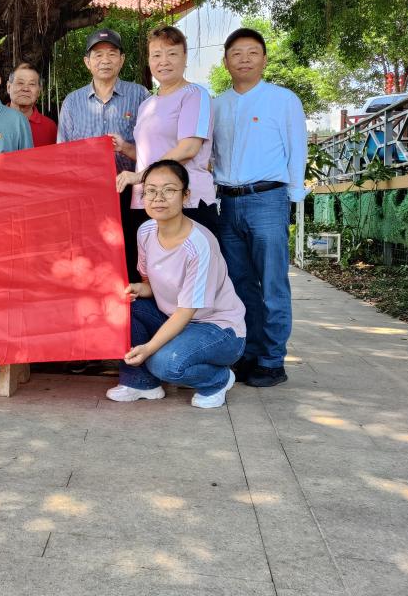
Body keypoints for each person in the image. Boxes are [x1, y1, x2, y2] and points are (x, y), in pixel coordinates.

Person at [106, 160, 246, 409]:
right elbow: (151, 286)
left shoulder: (200, 244)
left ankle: (218, 379)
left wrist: (148, 348)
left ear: (185, 195)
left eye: (169, 190)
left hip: (217, 328)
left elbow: (186, 311)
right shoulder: (145, 231)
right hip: (173, 317)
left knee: (165, 363)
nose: (158, 198)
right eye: (150, 190)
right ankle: (141, 383)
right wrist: (138, 289)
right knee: (122, 305)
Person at [213, 27, 307, 387]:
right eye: (236, 54)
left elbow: (297, 149)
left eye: (252, 52)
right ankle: (249, 352)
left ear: (264, 59)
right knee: (239, 284)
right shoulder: (216, 105)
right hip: (227, 202)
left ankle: (272, 360)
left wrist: (293, 198)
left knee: (272, 283)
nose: (244, 59)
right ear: (225, 61)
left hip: (268, 199)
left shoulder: (283, 100)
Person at [59, 28, 151, 281]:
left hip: (131, 193)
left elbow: (153, 151)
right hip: (87, 197)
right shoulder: (72, 102)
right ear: (87, 62)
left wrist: (125, 148)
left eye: (112, 54)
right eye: (98, 55)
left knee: (133, 258)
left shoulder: (140, 96)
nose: (105, 60)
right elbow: (64, 154)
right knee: (92, 261)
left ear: (122, 59)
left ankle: (134, 304)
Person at [115, 26, 218, 235]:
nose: (164, 61)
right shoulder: (147, 104)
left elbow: (188, 149)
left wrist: (141, 176)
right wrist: (124, 147)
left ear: (185, 57)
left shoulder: (195, 95)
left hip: (185, 202)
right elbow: (149, 154)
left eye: (172, 54)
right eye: (156, 55)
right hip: (146, 202)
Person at [7, 63, 57, 147]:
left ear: (39, 91)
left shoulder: (50, 127)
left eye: (32, 84)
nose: (25, 89)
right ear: (8, 87)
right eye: (20, 83)